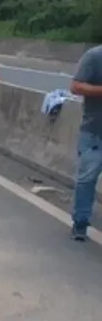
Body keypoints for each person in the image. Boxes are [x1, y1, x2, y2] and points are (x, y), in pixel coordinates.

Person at [69, 46, 102, 240]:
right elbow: (76, 86)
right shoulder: (95, 56)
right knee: (87, 179)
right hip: (95, 132)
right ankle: (80, 222)